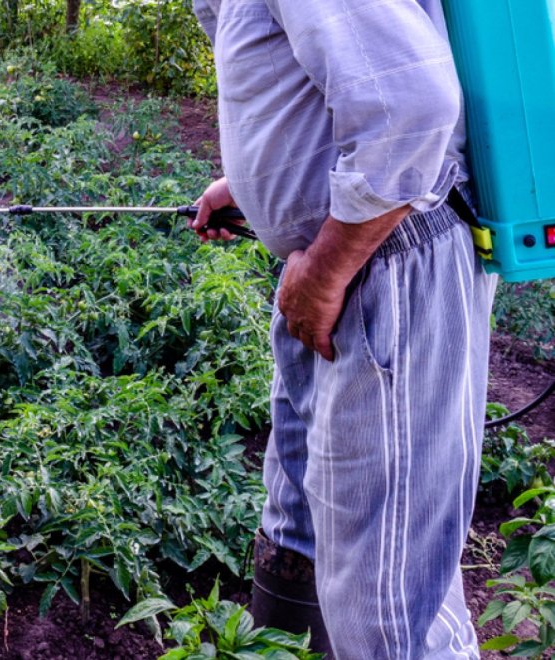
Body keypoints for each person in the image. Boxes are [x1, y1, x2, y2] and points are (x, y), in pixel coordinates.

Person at [189, 1, 496, 658]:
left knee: (387, 602)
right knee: (303, 527)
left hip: (381, 260)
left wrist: (326, 273)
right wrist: (254, 180)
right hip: (348, 261)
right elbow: (329, 76)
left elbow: (412, 105)